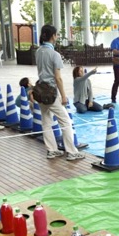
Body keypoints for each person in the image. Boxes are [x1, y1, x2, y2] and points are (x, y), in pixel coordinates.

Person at [35, 24, 84, 161]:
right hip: (51, 92)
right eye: (56, 35)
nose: (56, 37)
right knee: (65, 121)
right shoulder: (55, 54)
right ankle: (72, 152)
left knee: (46, 121)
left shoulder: (38, 51)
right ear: (53, 36)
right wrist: (63, 95)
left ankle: (51, 150)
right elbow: (58, 78)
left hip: (40, 90)